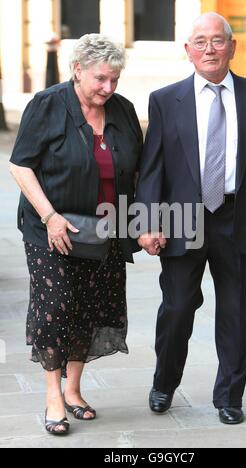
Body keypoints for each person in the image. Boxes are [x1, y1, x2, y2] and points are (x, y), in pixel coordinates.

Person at [136, 13, 246, 425]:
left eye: (217, 41)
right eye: (200, 41)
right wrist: (148, 222)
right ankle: (164, 383)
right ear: (188, 51)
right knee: (178, 306)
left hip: (240, 218)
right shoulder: (166, 100)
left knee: (238, 312)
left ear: (232, 48)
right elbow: (151, 169)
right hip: (182, 217)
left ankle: (229, 396)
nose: (209, 49)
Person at [9, 34, 143, 435]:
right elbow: (20, 166)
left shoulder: (123, 110)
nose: (108, 88)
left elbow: (135, 172)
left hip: (104, 232)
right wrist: (49, 215)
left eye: (114, 80)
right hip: (52, 231)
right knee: (57, 310)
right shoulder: (48, 105)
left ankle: (74, 390)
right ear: (78, 70)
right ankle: (53, 396)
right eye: (101, 79)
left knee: (88, 308)